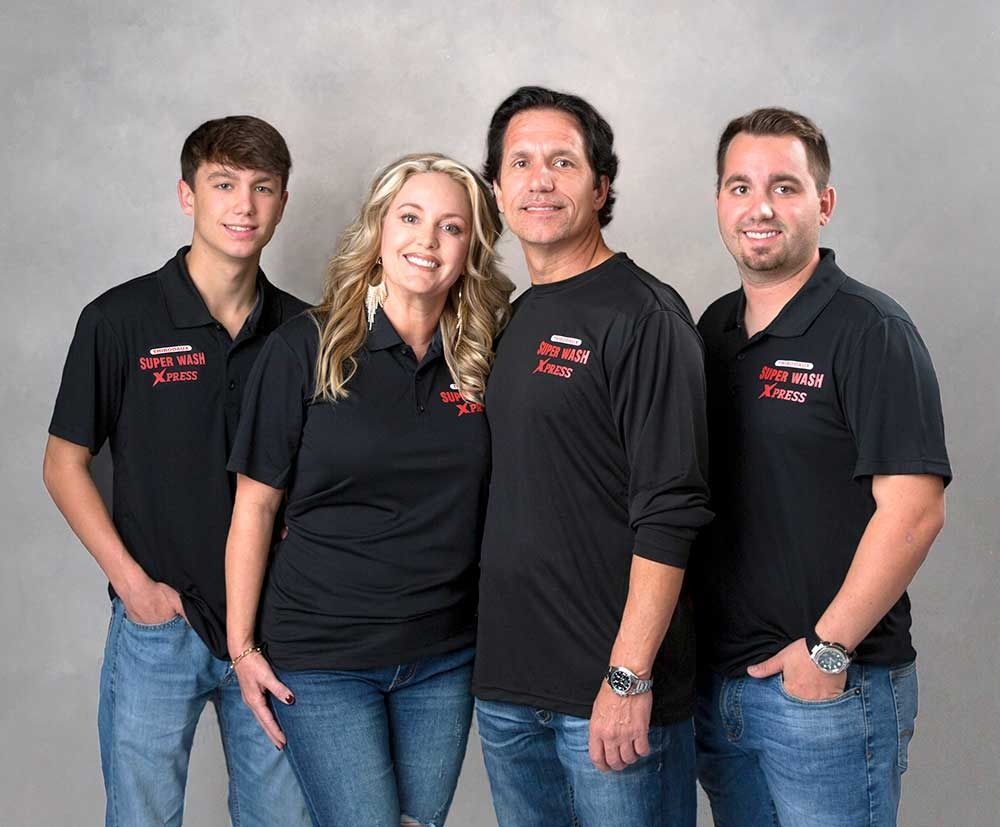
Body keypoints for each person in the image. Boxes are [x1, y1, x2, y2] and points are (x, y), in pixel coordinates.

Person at [224, 153, 514, 827]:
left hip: (444, 655)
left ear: (472, 247)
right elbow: (255, 507)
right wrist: (242, 648)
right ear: (379, 230)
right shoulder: (306, 349)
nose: (427, 241)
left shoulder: (485, 355)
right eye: (410, 218)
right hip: (324, 657)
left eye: (451, 227)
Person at [42, 115, 309, 826]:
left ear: (283, 201)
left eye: (263, 188)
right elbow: (64, 462)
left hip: (277, 631)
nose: (244, 206)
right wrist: (134, 586)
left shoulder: (305, 332)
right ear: (187, 195)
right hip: (160, 626)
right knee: (142, 817)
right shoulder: (119, 319)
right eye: (224, 185)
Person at [693, 107, 951, 827]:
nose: (760, 207)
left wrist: (827, 650)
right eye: (739, 186)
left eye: (785, 186)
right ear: (720, 202)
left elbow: (915, 510)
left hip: (830, 689)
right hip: (725, 688)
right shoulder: (710, 329)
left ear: (824, 204)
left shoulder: (872, 331)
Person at [471, 86, 712, 827]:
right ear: (497, 189)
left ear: (601, 187)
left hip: (610, 697)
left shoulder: (645, 316)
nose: (540, 179)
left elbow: (672, 509)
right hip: (509, 691)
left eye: (563, 162)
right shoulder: (509, 316)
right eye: (521, 162)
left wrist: (627, 674)